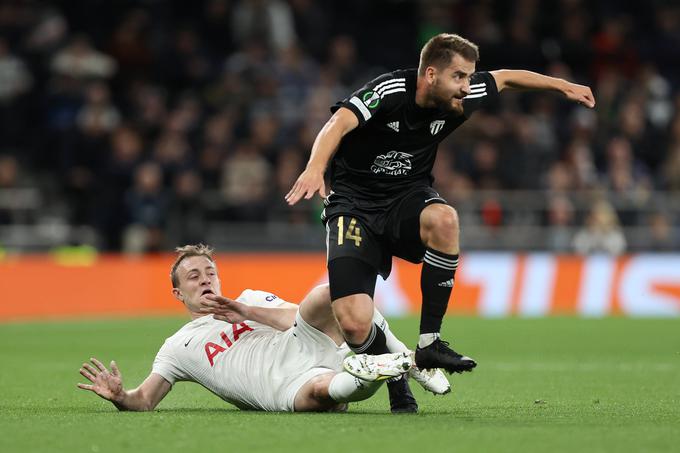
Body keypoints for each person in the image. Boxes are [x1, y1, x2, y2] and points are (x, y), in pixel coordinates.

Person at [285, 33, 595, 412]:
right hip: (353, 206)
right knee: (353, 324)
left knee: (445, 219)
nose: (467, 87)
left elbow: (507, 77)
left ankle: (430, 342)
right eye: (459, 77)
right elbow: (338, 123)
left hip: (406, 199)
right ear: (430, 74)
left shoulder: (460, 96)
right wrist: (315, 168)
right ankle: (397, 376)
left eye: (469, 78)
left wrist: (563, 86)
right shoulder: (389, 90)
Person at [77, 244, 448, 413]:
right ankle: (383, 366)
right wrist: (120, 396)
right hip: (282, 386)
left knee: (333, 292)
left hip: (305, 345)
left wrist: (244, 311)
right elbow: (145, 400)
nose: (205, 279)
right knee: (325, 393)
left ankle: (409, 362)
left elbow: (296, 318)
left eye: (210, 272)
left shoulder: (249, 298)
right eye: (193, 276)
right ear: (178, 292)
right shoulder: (178, 347)